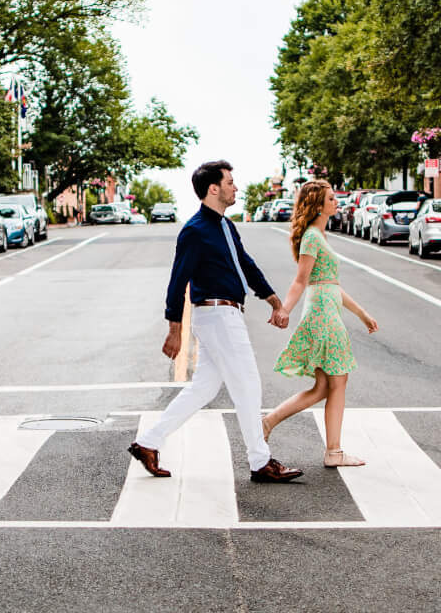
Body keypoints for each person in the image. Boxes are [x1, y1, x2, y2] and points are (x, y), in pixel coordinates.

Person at [128, 160, 305, 484]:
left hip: (225, 314)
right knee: (248, 385)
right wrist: (174, 330)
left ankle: (148, 443)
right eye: (230, 182)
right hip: (217, 315)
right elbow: (177, 281)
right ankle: (260, 462)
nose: (235, 187)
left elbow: (246, 264)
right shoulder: (195, 231)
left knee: (204, 388)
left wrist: (273, 298)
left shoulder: (225, 225)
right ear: (214, 188)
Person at [261, 181, 379, 467]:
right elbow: (302, 280)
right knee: (338, 381)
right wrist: (283, 309)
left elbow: (330, 284)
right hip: (323, 313)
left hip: (326, 307)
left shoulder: (318, 237)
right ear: (317, 205)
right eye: (330, 198)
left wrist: (361, 313)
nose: (336, 201)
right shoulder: (313, 237)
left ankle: (267, 423)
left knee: (324, 386)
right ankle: (334, 453)